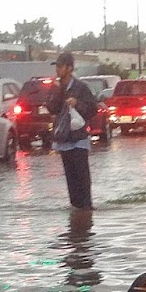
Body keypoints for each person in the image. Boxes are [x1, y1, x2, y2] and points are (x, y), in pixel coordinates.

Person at [45, 51, 98, 210]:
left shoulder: (81, 88)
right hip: (64, 139)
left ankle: (86, 209)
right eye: (57, 66)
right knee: (70, 178)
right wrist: (56, 92)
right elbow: (51, 108)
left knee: (82, 177)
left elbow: (92, 109)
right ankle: (76, 208)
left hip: (79, 139)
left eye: (61, 66)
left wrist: (77, 103)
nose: (58, 70)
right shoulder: (56, 87)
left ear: (69, 68)